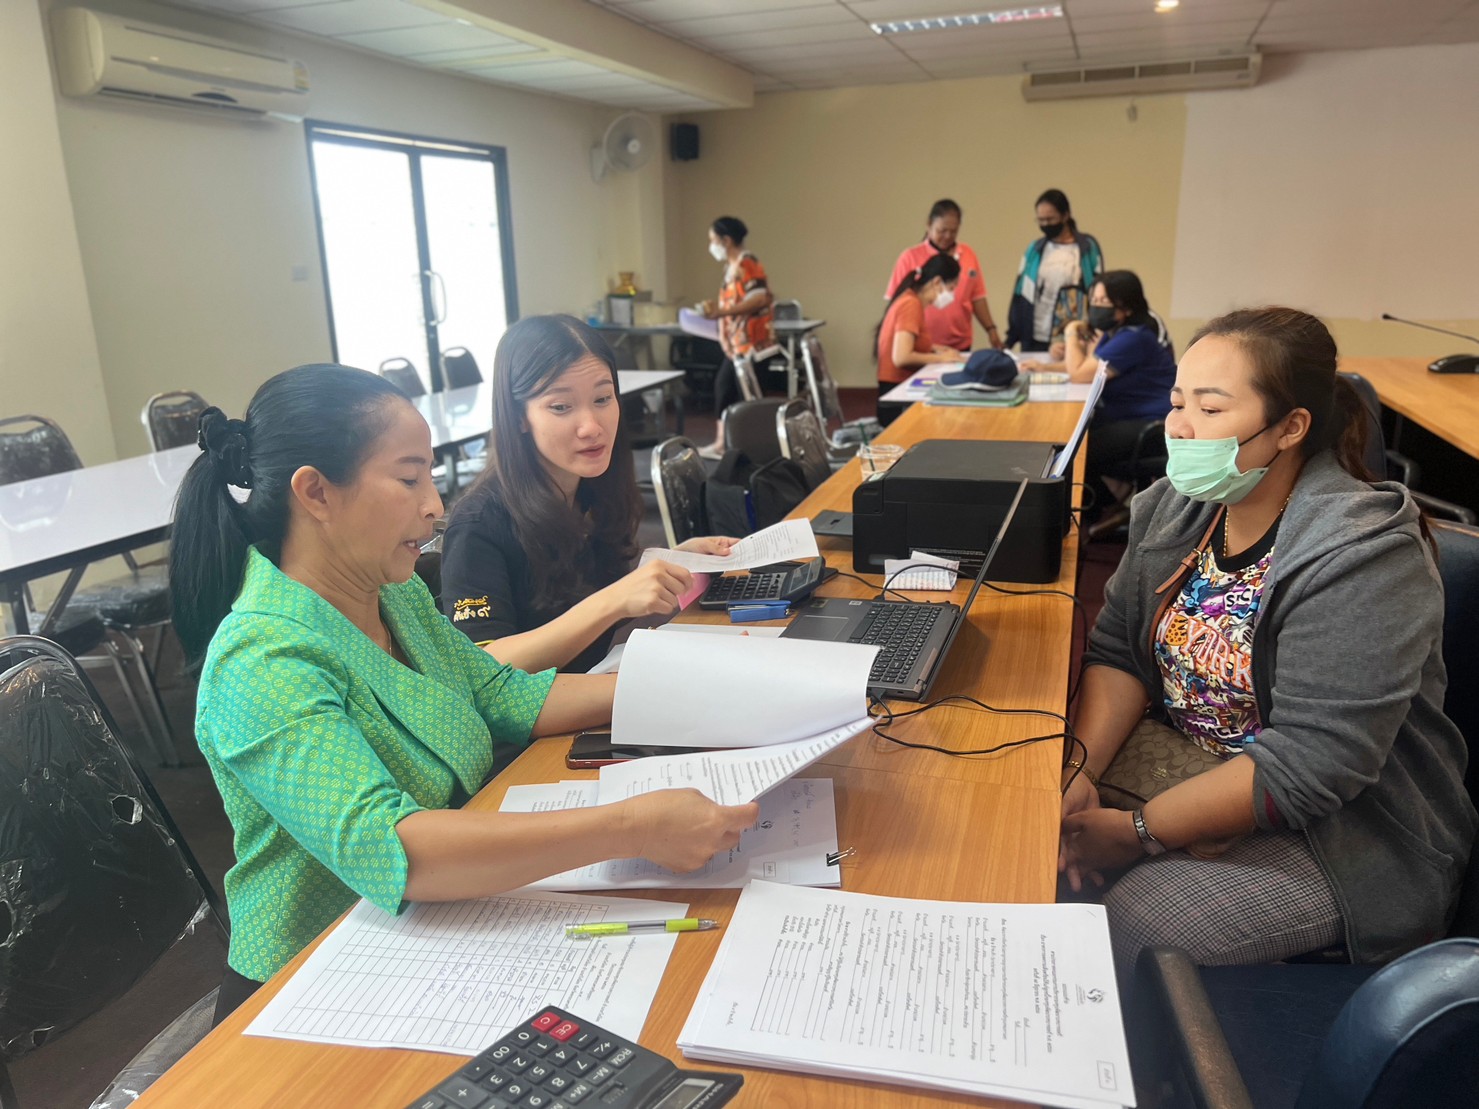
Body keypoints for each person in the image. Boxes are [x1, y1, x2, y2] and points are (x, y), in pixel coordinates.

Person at [170, 364, 757, 1021]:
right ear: (315, 493)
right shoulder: (260, 658)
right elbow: (393, 845)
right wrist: (630, 825)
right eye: (408, 477)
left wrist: (694, 692)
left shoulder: (392, 590)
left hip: (428, 932)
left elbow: (499, 690)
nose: (434, 504)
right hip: (310, 985)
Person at [1059, 306, 1475, 983]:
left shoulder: (1362, 553)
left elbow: (1313, 764)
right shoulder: (1174, 507)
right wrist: (1078, 773)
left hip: (1342, 830)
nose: (1180, 427)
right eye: (1176, 402)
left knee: (1131, 923)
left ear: (1289, 427)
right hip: (1194, 766)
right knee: (1031, 822)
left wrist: (1138, 833)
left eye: (1211, 407)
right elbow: (1119, 651)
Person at [440, 315, 735, 673]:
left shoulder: (593, 487)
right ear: (519, 417)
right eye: (561, 407)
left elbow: (595, 590)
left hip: (598, 685)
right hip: (543, 723)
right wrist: (614, 601)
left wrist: (674, 561)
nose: (592, 427)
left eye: (602, 398)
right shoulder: (479, 525)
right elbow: (483, 666)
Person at [1054, 270, 1176, 529]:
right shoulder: (1117, 333)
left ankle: (1094, 514)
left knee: (1075, 452)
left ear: (1125, 306)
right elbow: (1087, 366)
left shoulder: (1134, 338)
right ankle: (1106, 508)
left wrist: (1071, 331)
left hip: (1151, 426)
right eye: (1094, 301)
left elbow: (1078, 374)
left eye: (1102, 303)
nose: (1095, 308)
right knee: (1071, 442)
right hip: (1129, 417)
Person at [699, 215, 778, 458]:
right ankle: (726, 444)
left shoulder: (747, 263)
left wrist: (721, 312)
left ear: (727, 240)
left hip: (752, 344)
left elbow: (759, 298)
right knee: (727, 391)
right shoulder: (730, 268)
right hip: (735, 345)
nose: (711, 246)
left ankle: (751, 447)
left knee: (742, 395)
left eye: (713, 240)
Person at [883, 198, 1001, 353]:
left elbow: (977, 297)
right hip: (920, 344)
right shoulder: (909, 257)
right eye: (942, 230)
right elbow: (895, 304)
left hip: (959, 344)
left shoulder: (968, 255)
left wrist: (991, 329)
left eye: (953, 231)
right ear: (929, 224)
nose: (947, 236)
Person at [1004, 189, 1104, 354]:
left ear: (1065, 216)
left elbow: (1096, 289)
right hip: (1035, 334)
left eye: (1050, 219)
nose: (1045, 225)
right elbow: (1020, 293)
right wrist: (1011, 337)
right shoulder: (1034, 250)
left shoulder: (1087, 248)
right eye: (1040, 220)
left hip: (1071, 335)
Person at [874, 254, 964, 426]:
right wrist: (942, 358)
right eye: (951, 288)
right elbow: (901, 357)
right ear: (937, 282)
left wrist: (935, 349)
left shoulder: (911, 300)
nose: (951, 295)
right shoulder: (911, 304)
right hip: (896, 397)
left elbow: (911, 343)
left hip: (898, 389)